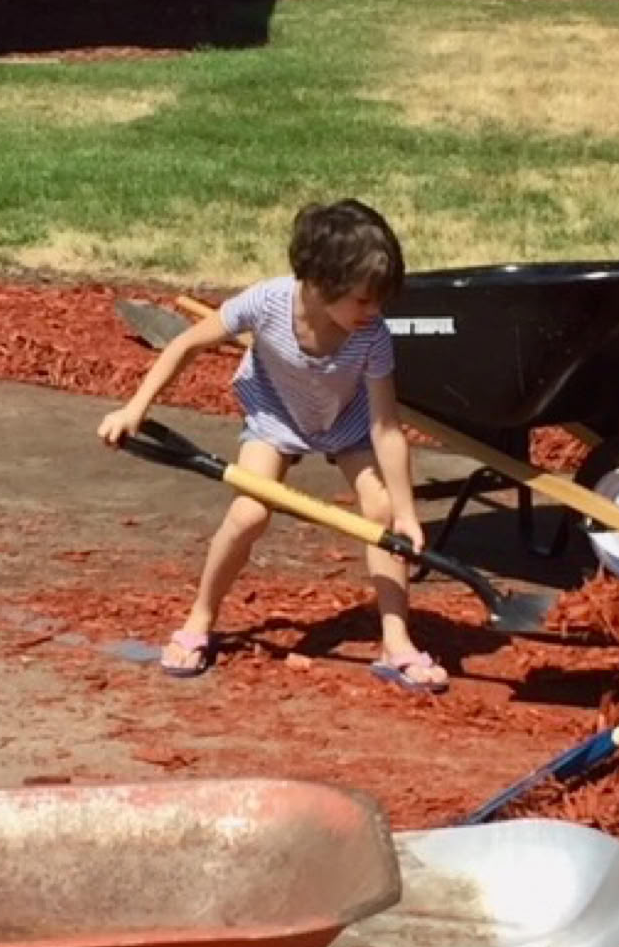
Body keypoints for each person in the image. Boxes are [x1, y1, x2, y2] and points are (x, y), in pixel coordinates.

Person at [97, 199, 449, 693]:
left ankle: (396, 642)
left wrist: (408, 514)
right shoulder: (265, 303)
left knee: (382, 513)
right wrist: (135, 409)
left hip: (344, 421)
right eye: (364, 300)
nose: (375, 312)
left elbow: (386, 428)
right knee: (249, 514)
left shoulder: (372, 336)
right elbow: (186, 344)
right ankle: (200, 619)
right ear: (321, 283)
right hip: (274, 415)